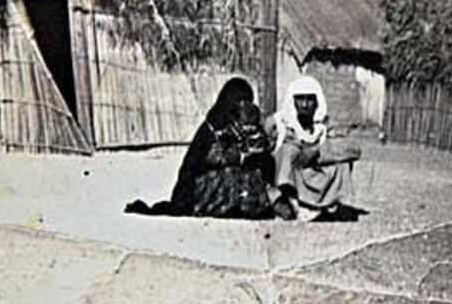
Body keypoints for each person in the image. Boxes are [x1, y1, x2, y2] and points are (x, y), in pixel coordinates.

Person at [125, 77, 275, 219]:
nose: (243, 105)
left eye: (246, 101)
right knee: (232, 175)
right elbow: (212, 157)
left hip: (222, 179)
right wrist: (240, 156)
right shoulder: (214, 124)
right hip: (196, 188)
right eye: (239, 101)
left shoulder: (243, 123)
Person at [265, 75, 362, 221]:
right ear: (292, 101)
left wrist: (317, 152)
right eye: (300, 99)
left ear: (317, 102)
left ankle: (332, 204)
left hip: (315, 172)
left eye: (309, 99)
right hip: (293, 179)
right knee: (288, 150)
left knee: (343, 162)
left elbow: (354, 149)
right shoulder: (278, 124)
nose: (304, 105)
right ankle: (292, 204)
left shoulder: (324, 125)